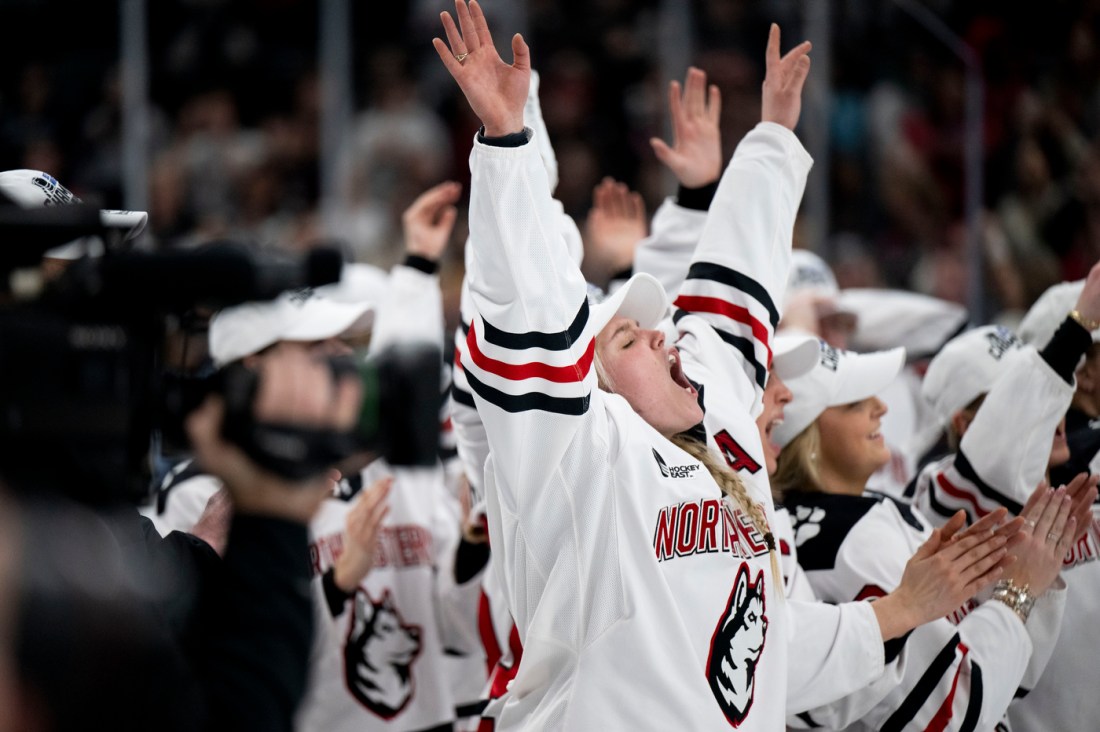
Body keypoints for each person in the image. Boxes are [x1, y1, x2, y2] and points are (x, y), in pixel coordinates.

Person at [433, 3, 1018, 727]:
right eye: (626, 342)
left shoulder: (729, 444)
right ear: (590, 384)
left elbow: (731, 292)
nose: (659, 337)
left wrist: (771, 137)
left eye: (656, 331)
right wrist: (508, 143)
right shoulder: (581, 454)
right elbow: (530, 310)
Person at [772, 341, 1083, 730]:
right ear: (805, 439)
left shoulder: (845, 516)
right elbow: (948, 712)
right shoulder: (856, 539)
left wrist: (1026, 579)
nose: (881, 407)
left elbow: (997, 683)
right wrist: (1018, 592)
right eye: (854, 404)